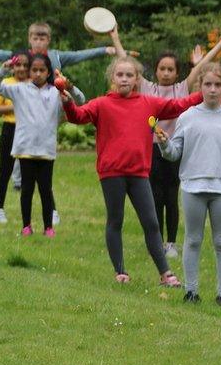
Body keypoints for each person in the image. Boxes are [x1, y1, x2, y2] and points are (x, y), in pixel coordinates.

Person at [61, 56, 200, 286]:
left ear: (137, 79)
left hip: (139, 173)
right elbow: (77, 116)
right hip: (112, 173)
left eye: (129, 75)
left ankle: (165, 274)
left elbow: (178, 106)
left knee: (152, 223)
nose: (124, 79)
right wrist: (67, 102)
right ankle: (120, 271)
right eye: (120, 74)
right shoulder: (101, 104)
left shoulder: (148, 103)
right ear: (112, 77)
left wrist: (204, 94)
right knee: (116, 221)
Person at [111, 29, 221, 259]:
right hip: (151, 149)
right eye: (162, 68)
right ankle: (158, 242)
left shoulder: (181, 88)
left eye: (170, 69)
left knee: (172, 197)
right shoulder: (147, 89)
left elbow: (201, 68)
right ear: (156, 71)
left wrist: (219, 45)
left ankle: (171, 243)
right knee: (155, 197)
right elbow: (126, 62)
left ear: (177, 72)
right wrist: (115, 38)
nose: (166, 73)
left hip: (175, 149)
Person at [0, 54, 85, 236]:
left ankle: (48, 227)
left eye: (42, 70)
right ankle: (26, 226)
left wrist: (69, 86)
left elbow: (80, 101)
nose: (38, 74)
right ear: (29, 71)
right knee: (26, 189)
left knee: (45, 189)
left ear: (49, 72)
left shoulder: (56, 92)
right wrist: (3, 69)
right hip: (25, 149)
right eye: (34, 70)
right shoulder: (19, 89)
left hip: (46, 150)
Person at [157, 62, 221, 304]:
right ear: (200, 86)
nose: (213, 89)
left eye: (218, 84)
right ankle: (191, 291)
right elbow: (174, 153)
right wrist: (164, 143)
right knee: (193, 239)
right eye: (208, 84)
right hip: (192, 187)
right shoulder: (187, 117)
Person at [0, 21, 117, 74]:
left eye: (42, 38)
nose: (39, 42)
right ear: (29, 39)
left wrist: (104, 50)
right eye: (35, 38)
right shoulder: (22, 55)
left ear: (48, 40)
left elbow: (80, 55)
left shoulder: (56, 56)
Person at [0, 50, 29, 223]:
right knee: (5, 170)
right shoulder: (6, 83)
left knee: (30, 171)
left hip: (28, 130)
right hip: (10, 129)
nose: (21, 68)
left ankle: (28, 211)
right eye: (18, 65)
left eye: (25, 65)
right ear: (12, 67)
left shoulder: (33, 84)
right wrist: (14, 107)